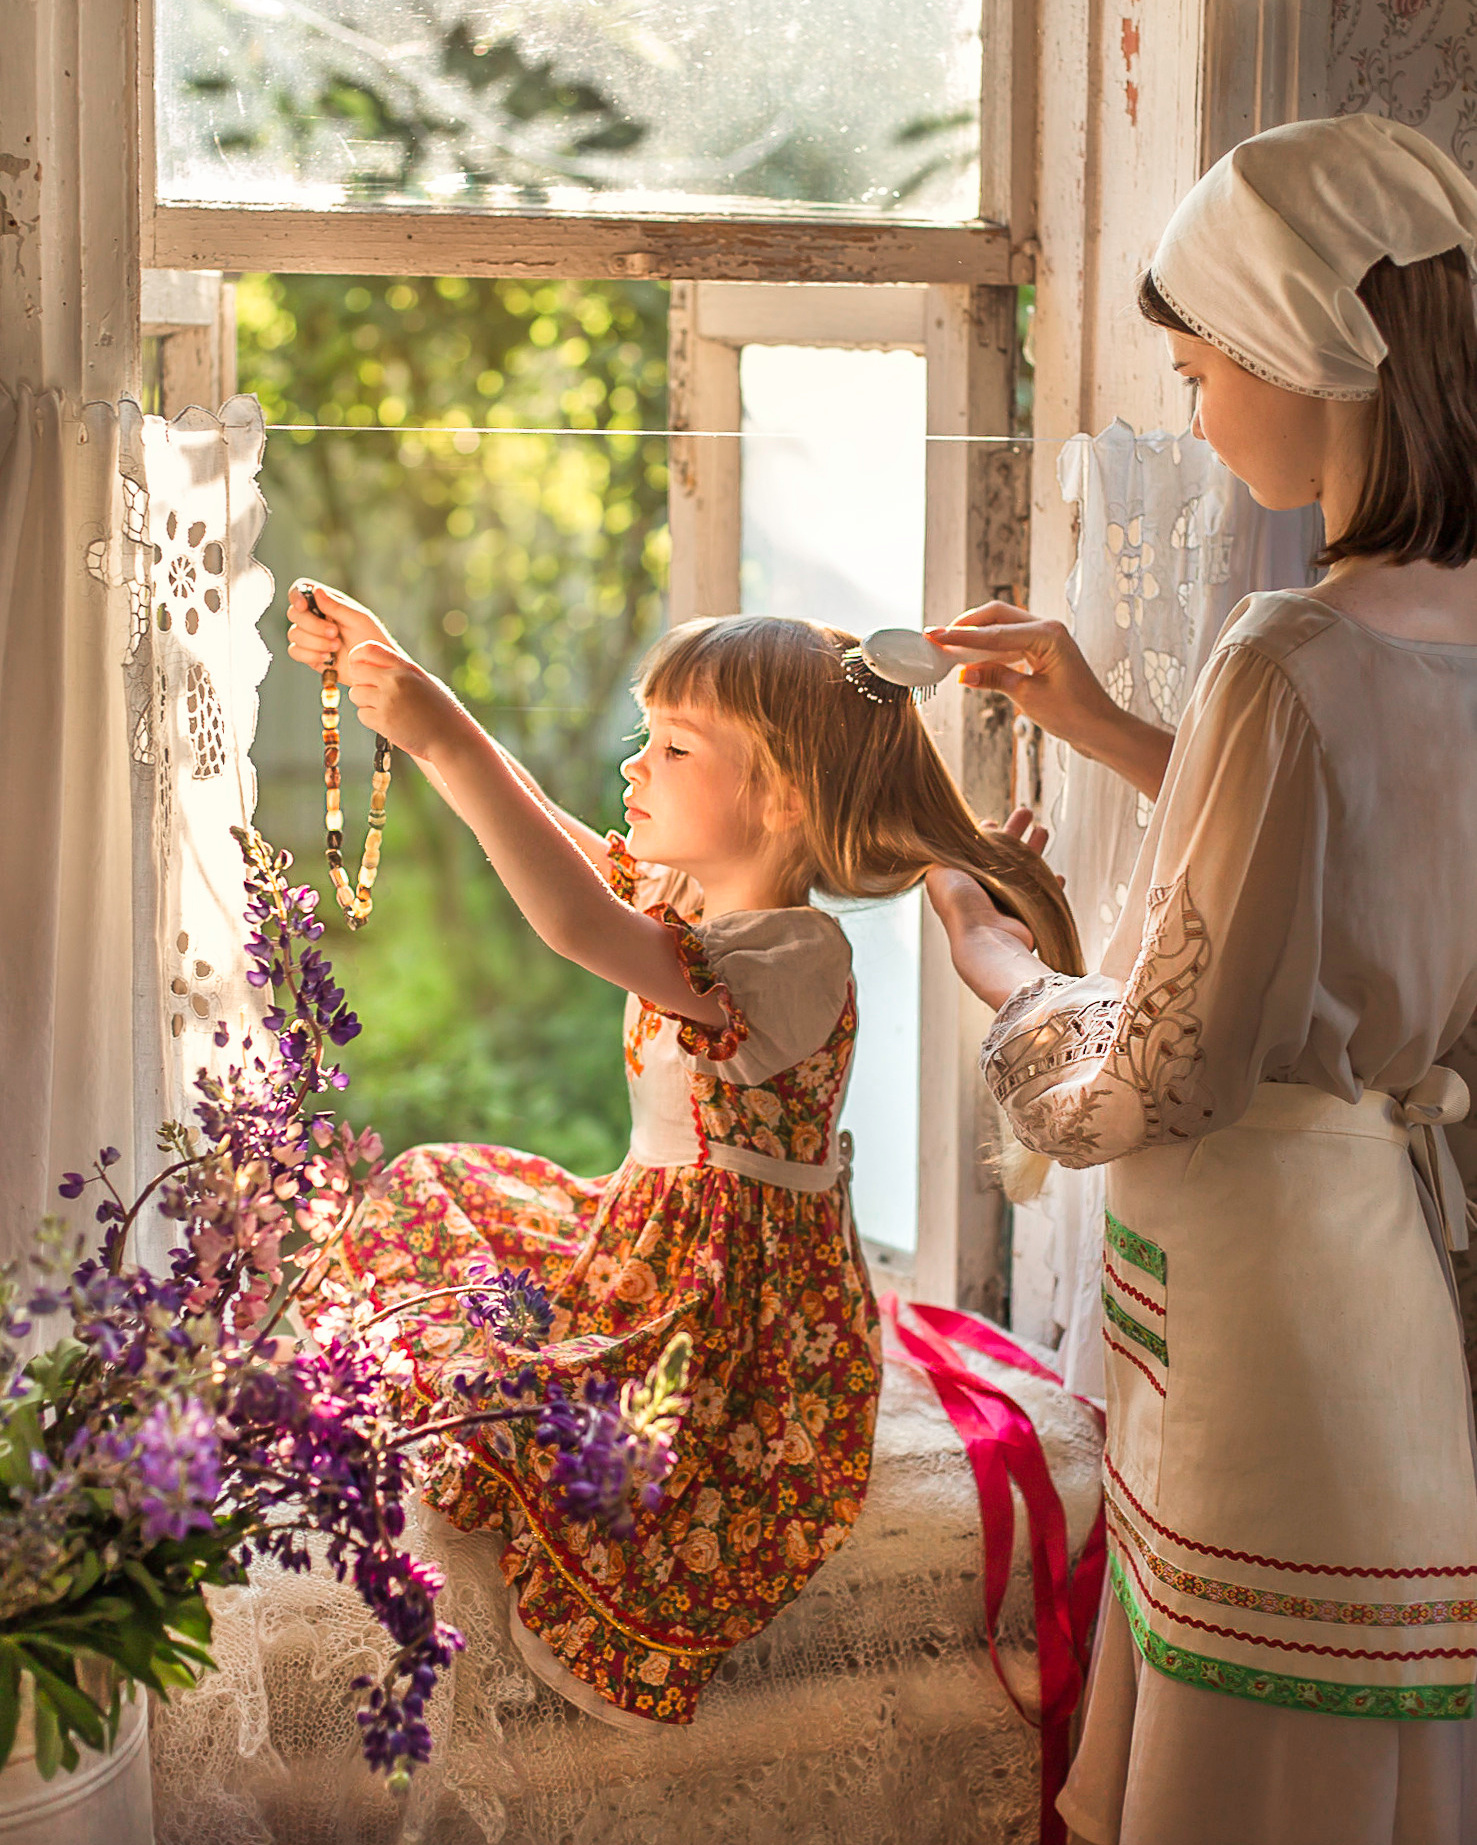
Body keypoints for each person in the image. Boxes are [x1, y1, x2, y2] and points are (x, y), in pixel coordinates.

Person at [924, 113, 1477, 1845]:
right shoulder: (1435, 626)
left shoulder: (1287, 645)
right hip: (1379, 1303)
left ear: (1304, 347)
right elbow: (1349, 866)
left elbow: (1165, 1071)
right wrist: (1101, 724)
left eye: (1192, 365)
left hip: (1263, 1334)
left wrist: (1007, 980)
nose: (1191, 409)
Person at [283, 592, 1081, 1728]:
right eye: (643, 734)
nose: (633, 766)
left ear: (783, 796)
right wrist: (402, 669)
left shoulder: (789, 956)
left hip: (731, 1320)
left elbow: (573, 922)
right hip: (643, 1243)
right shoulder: (696, 905)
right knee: (431, 1188)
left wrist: (442, 733)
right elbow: (567, 843)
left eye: (672, 746)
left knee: (519, 1401)